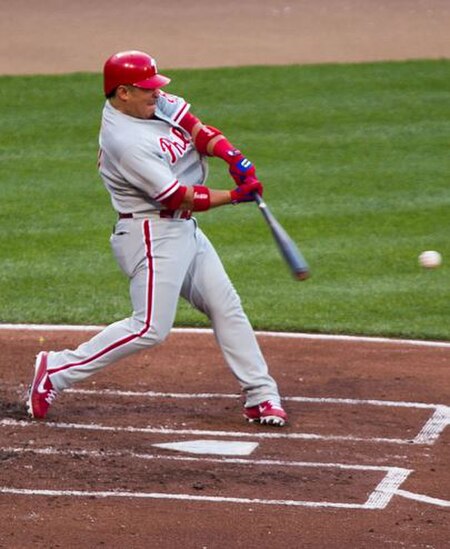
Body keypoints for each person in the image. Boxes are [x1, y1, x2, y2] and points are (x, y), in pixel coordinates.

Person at [26, 50, 288, 426]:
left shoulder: (148, 104)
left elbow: (196, 128)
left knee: (225, 305)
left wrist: (234, 157)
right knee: (150, 327)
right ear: (123, 93)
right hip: (151, 232)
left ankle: (261, 395)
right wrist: (234, 197)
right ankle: (55, 369)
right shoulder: (124, 140)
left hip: (180, 229)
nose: (156, 94)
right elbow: (176, 196)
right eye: (146, 89)